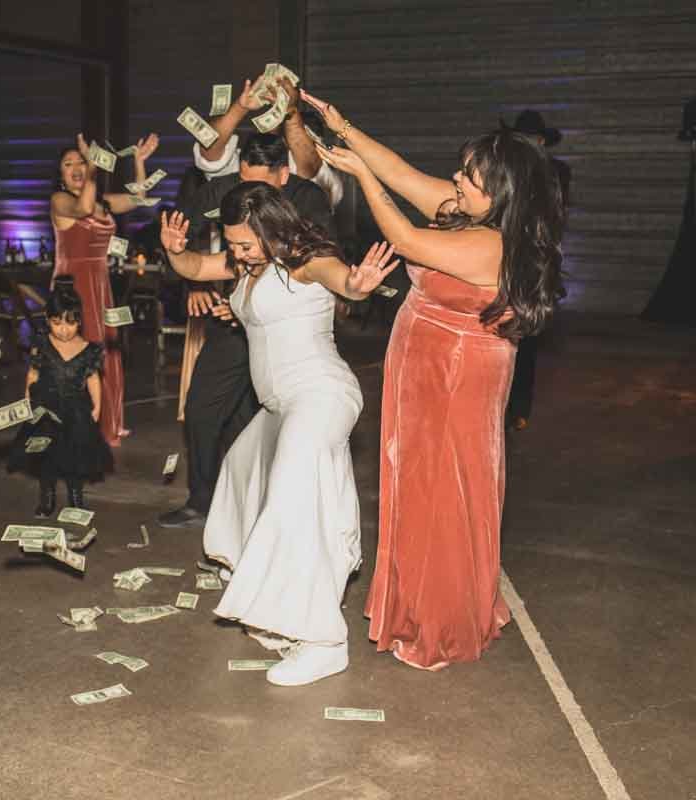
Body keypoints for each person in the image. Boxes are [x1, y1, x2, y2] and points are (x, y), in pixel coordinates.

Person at [306, 91, 566, 670]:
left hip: (455, 377)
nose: (454, 180)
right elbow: (400, 172)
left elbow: (405, 239)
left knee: (442, 492)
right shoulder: (467, 211)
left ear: (498, 192)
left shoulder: (490, 243)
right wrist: (344, 126)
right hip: (424, 365)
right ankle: (421, 605)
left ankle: (440, 624)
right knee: (415, 486)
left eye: (467, 177)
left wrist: (358, 179)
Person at [159, 183, 399, 686]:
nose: (236, 253)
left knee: (294, 501)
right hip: (280, 405)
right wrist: (175, 251)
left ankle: (322, 642)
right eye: (233, 245)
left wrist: (361, 283)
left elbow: (345, 282)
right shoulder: (249, 265)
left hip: (319, 394)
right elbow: (195, 269)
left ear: (271, 230)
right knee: (240, 470)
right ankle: (258, 576)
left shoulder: (305, 261)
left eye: (245, 243)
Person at [158, 133, 334, 528]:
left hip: (283, 332)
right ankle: (203, 500)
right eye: (242, 181)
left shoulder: (310, 200)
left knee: (259, 421)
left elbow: (326, 266)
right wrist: (183, 263)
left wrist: (355, 286)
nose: (247, 194)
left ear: (283, 175)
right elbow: (193, 252)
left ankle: (262, 506)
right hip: (234, 319)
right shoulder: (227, 191)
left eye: (260, 185)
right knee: (202, 406)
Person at [50, 131, 160, 447]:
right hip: (73, 284)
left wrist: (139, 163)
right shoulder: (60, 200)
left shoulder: (103, 201)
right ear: (60, 174)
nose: (76, 167)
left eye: (80, 162)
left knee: (106, 350)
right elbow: (83, 209)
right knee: (76, 353)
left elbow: (139, 198)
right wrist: (94, 168)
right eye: (68, 164)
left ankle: (107, 424)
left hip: (99, 283)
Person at [6, 284, 112, 515]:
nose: (64, 330)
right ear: (47, 319)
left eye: (70, 323)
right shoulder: (42, 345)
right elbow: (33, 374)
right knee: (46, 457)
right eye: (57, 323)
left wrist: (97, 406)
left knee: (74, 458)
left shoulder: (88, 349)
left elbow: (93, 379)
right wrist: (27, 401)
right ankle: (47, 498)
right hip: (45, 409)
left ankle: (76, 498)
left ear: (79, 321)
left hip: (75, 411)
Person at [503, 109, 572, 431]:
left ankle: (519, 407)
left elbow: (554, 217)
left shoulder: (557, 172)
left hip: (535, 263)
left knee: (526, 339)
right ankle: (500, 404)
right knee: (500, 334)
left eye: (531, 139)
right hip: (504, 259)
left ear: (542, 141)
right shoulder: (508, 169)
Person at [194, 75, 343, 209]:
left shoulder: (327, 184)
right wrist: (241, 107)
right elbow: (210, 148)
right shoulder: (245, 166)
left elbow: (309, 166)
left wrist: (290, 111)